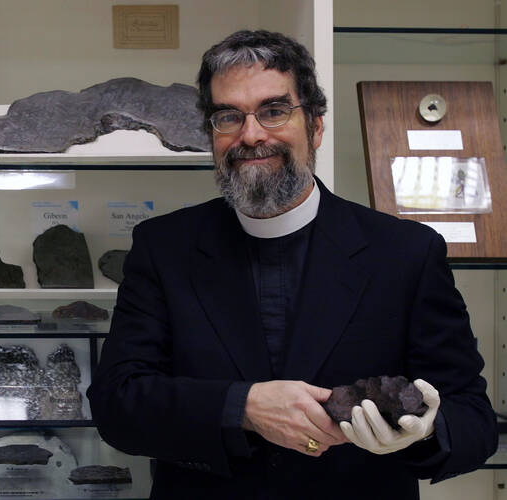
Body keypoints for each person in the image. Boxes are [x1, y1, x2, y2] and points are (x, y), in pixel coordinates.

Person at [87, 29, 498, 499]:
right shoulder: (164, 247)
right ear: (211, 134)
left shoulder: (405, 253)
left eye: (274, 110)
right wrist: (241, 406)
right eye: (228, 117)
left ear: (316, 125)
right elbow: (117, 404)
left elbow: (473, 419)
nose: (252, 134)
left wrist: (423, 432)